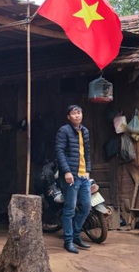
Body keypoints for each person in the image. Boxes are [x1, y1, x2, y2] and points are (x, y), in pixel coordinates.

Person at [54, 104, 92, 254]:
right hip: (71, 176)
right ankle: (68, 241)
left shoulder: (85, 131)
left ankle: (76, 235)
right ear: (69, 117)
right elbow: (59, 151)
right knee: (69, 209)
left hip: (83, 176)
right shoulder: (64, 130)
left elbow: (87, 153)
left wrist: (88, 170)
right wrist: (67, 171)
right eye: (74, 113)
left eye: (79, 113)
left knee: (86, 206)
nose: (77, 115)